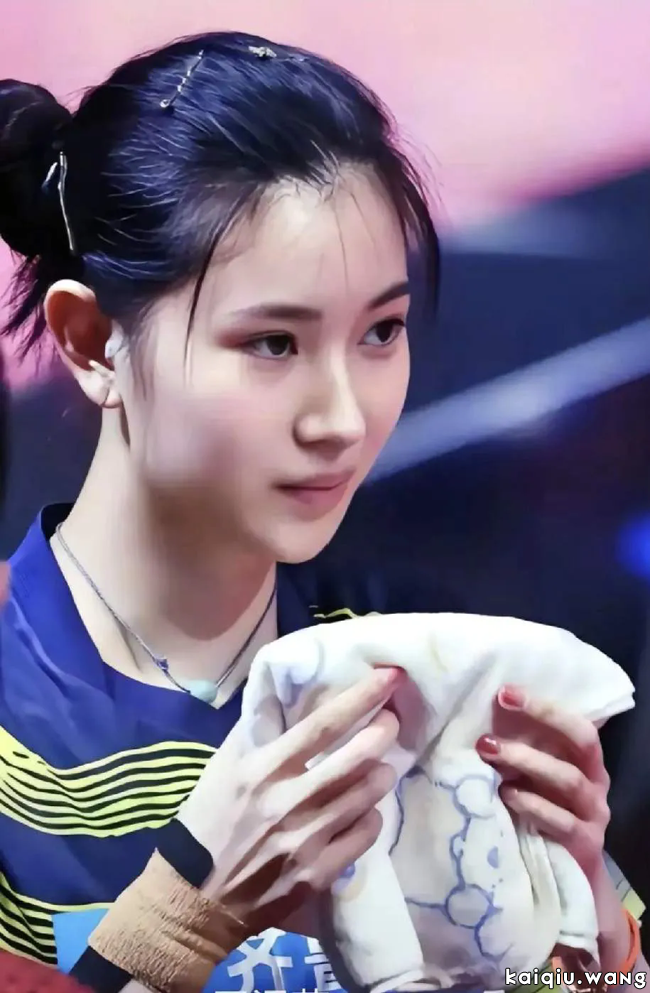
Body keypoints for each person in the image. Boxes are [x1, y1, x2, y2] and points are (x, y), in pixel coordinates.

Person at [0, 31, 645, 993]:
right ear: (93, 342)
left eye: (381, 330)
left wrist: (589, 920)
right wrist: (184, 920)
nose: (344, 418)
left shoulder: (431, 673)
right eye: (273, 343)